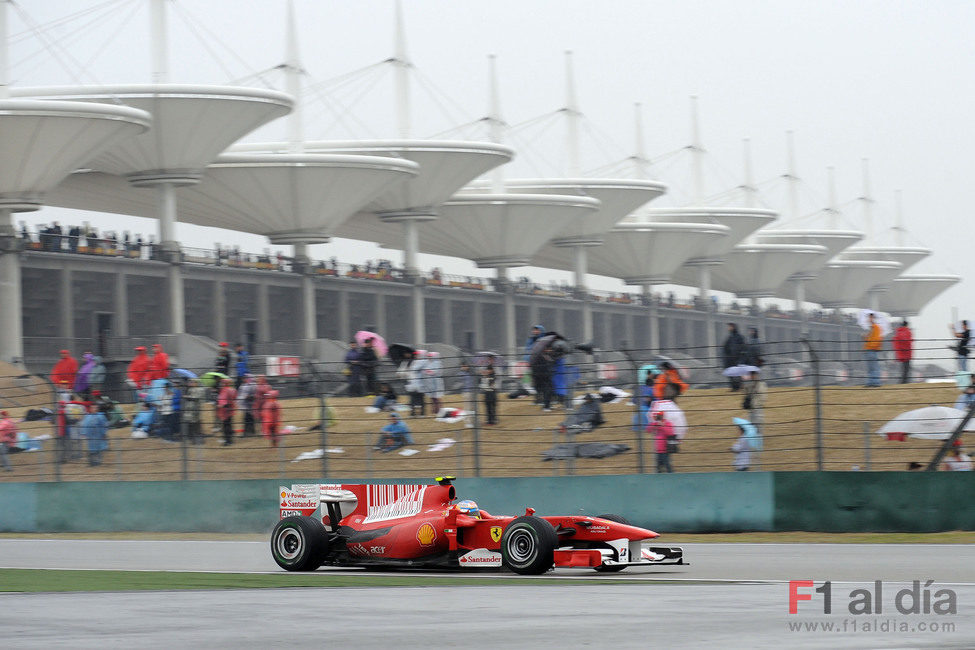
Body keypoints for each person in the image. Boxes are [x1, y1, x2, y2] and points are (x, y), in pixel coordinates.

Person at [722, 323, 746, 390]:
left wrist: (741, 356)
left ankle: (738, 386)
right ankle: (734, 387)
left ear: (734, 327)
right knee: (731, 373)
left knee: (737, 373)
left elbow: (743, 347)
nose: (728, 328)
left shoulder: (739, 337)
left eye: (730, 327)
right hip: (730, 359)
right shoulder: (730, 337)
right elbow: (725, 347)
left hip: (737, 358)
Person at [182, 378, 206, 445]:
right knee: (191, 425)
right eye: (190, 382)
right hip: (190, 410)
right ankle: (194, 440)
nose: (191, 383)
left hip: (196, 410)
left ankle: (199, 440)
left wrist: (187, 396)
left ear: (196, 383)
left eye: (192, 382)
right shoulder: (190, 389)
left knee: (197, 425)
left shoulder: (200, 389)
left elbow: (196, 397)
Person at [863, 313, 883, 387]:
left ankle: (875, 382)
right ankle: (871, 382)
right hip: (869, 349)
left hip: (871, 350)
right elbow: (870, 339)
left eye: (870, 318)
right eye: (869, 318)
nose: (869, 319)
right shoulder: (872, 328)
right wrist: (865, 337)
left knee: (874, 367)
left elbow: (877, 339)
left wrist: (872, 346)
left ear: (873, 318)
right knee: (871, 367)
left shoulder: (876, 328)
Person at [405, 350, 427, 416]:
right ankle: (413, 413)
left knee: (421, 399)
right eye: (415, 355)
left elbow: (414, 369)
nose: (415, 356)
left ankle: (422, 413)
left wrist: (410, 368)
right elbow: (411, 372)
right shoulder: (414, 361)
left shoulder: (423, 362)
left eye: (417, 355)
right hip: (413, 383)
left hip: (421, 384)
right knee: (412, 399)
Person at [216, 378, 237, 446]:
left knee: (226, 426)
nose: (221, 384)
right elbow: (234, 397)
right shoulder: (233, 389)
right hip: (230, 409)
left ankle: (228, 441)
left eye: (222, 383)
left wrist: (220, 405)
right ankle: (230, 440)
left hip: (225, 410)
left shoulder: (224, 390)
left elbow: (223, 401)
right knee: (229, 424)